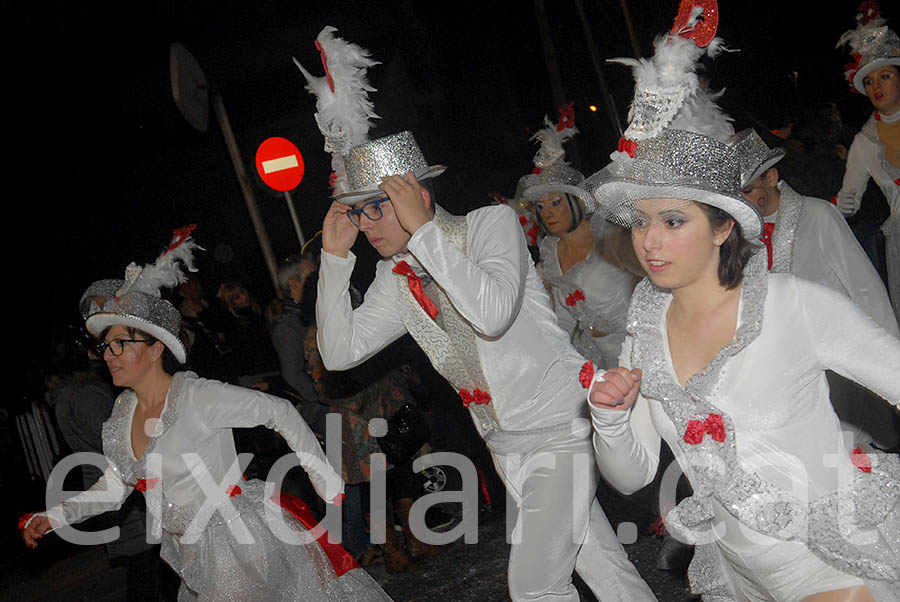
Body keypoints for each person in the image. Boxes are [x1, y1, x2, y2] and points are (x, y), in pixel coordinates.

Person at [298, 26, 656, 602]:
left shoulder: (488, 227)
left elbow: (489, 314)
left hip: (561, 431)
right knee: (605, 571)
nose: (364, 227)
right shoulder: (397, 277)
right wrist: (335, 261)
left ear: (413, 193)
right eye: (356, 215)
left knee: (536, 587)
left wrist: (422, 231)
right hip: (506, 446)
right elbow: (339, 354)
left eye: (373, 210)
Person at [584, 8, 900, 600]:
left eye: (673, 220)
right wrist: (608, 416)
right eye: (640, 222)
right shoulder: (643, 331)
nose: (649, 241)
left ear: (723, 228)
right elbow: (634, 474)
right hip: (741, 574)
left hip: (829, 563)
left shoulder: (790, 304)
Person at [21, 227, 392, 602]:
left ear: (154, 349)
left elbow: (278, 411)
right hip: (189, 556)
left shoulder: (196, 396)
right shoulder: (123, 414)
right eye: (106, 345)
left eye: (120, 344)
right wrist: (56, 516)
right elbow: (116, 485)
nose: (108, 354)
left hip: (238, 546)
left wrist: (323, 477)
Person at [734, 127, 900, 449]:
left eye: (748, 190)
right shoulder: (742, 236)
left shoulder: (818, 214)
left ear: (772, 177)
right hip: (789, 372)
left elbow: (864, 287)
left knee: (854, 448)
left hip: (838, 366)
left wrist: (890, 360)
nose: (743, 202)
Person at [519, 106, 638, 370]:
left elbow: (650, 286)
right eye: (540, 207)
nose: (546, 213)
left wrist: (612, 325)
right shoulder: (549, 252)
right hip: (603, 363)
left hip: (641, 348)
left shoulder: (610, 235)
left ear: (574, 201)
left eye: (554, 202)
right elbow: (562, 317)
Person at [836, 2, 900, 325]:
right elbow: (850, 200)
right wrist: (844, 204)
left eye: (885, 76)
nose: (876, 86)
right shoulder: (864, 142)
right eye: (870, 81)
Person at [270, 254, 328, 434]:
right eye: (312, 276)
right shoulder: (288, 327)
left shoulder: (314, 310)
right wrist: (325, 398)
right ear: (294, 284)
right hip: (326, 411)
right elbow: (293, 375)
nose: (319, 278)